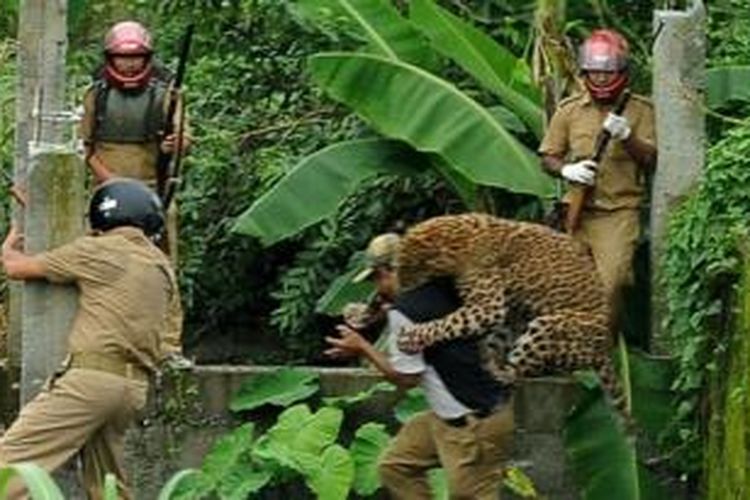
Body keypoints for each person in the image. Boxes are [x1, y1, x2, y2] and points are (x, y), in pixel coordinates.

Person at [0, 179, 181, 499]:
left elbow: (17, 268)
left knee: (9, 468)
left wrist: (8, 248)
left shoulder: (97, 251)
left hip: (89, 383)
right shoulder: (159, 265)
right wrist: (37, 208)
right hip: (132, 389)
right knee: (108, 487)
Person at [326, 234, 514, 500]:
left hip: (473, 425)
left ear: (388, 272)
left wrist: (362, 347)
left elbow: (406, 378)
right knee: (396, 467)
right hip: (450, 415)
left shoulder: (405, 312)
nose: (376, 288)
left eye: (376, 279)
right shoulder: (446, 287)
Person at [538, 29, 657, 328]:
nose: (601, 79)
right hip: (576, 210)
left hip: (617, 213)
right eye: (595, 72)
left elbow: (651, 160)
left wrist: (627, 136)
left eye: (608, 73)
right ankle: (569, 351)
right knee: (567, 288)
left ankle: (602, 353)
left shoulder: (641, 110)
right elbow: (548, 156)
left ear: (621, 72)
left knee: (609, 285)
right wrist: (566, 170)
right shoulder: (569, 110)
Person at [79, 20, 190, 262]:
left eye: (136, 57)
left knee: (161, 259)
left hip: (153, 191)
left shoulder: (167, 94)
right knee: (101, 258)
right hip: (106, 190)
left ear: (146, 58)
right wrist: (112, 181)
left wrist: (175, 144)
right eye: (122, 57)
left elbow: (184, 140)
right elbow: (84, 147)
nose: (129, 64)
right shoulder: (96, 95)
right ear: (110, 58)